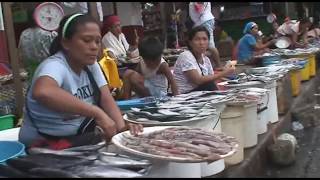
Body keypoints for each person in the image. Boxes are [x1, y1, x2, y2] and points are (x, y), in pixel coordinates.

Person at [18, 13, 143, 150]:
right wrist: (97, 112)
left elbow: (106, 98)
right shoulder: (55, 65)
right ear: (66, 43)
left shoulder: (91, 65)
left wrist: (122, 129)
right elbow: (43, 92)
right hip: (44, 145)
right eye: (87, 40)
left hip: (76, 138)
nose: (94, 47)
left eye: (97, 41)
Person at [173, 26, 235, 94]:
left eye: (204, 39)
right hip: (185, 95)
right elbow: (197, 80)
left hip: (199, 93)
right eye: (197, 39)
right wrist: (224, 73)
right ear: (190, 43)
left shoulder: (206, 60)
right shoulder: (185, 56)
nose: (201, 43)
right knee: (209, 86)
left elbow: (211, 78)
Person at [18, 9, 58, 79]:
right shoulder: (50, 34)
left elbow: (20, 55)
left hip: (32, 72)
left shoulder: (24, 33)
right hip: (50, 71)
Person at [189, 2, 222, 69]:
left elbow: (199, 8)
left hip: (204, 21)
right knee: (205, 46)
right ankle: (212, 64)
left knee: (210, 45)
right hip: (203, 21)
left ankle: (219, 65)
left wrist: (195, 4)